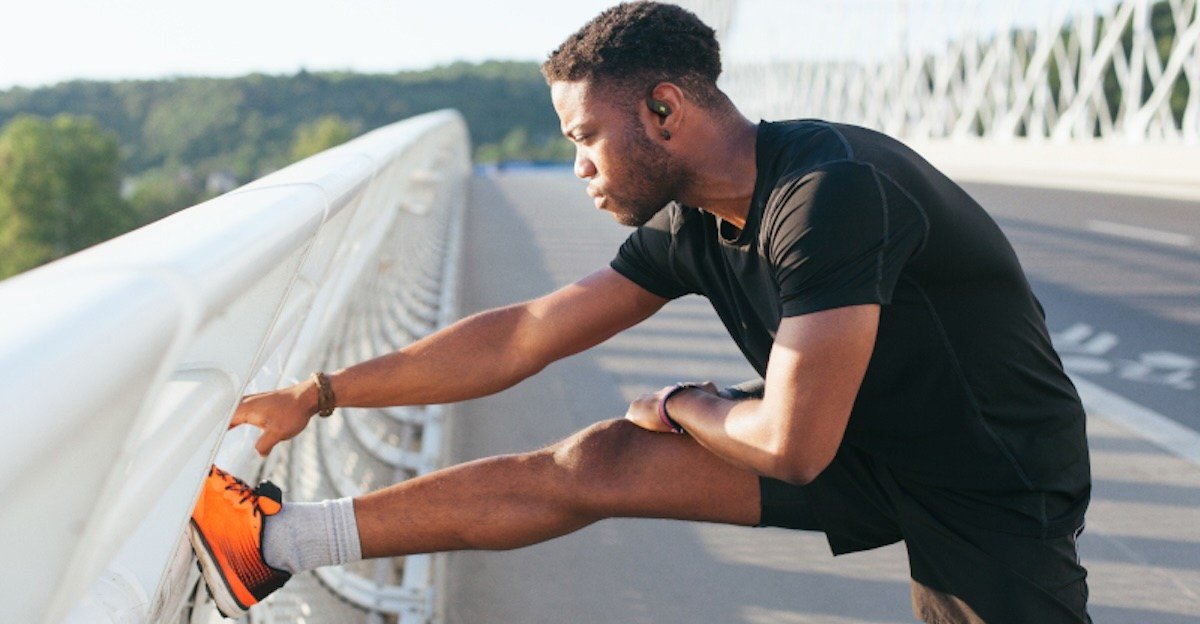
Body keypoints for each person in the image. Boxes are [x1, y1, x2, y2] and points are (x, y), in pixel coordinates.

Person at [188, 2, 1093, 622]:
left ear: (663, 109)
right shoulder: (694, 220)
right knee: (602, 461)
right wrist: (320, 393)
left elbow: (792, 447)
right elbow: (526, 334)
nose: (579, 165)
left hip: (988, 475)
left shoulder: (830, 196)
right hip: (857, 435)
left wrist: (684, 403)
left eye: (585, 137)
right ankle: (272, 543)